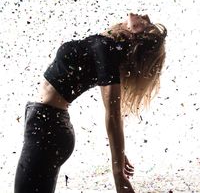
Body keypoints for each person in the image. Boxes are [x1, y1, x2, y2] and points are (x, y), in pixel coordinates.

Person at [14, 13, 167, 193]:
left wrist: (119, 174)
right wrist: (120, 153)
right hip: (46, 127)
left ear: (137, 35)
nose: (145, 15)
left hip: (48, 129)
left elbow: (113, 115)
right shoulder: (105, 46)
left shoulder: (107, 49)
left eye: (146, 23)